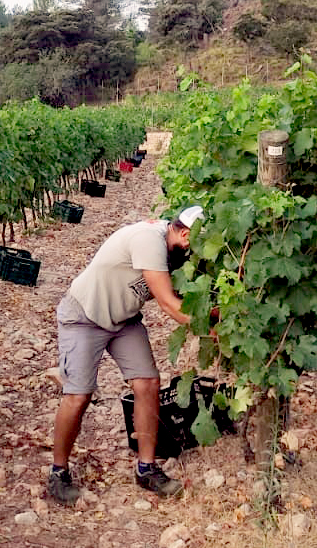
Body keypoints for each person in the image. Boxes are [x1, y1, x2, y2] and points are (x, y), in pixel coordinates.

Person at [47, 206, 202, 502]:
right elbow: (169, 305)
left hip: (123, 319)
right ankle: (58, 472)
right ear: (184, 233)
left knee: (147, 384)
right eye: (197, 242)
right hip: (85, 316)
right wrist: (213, 327)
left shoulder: (176, 246)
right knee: (78, 395)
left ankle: (146, 469)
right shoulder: (149, 240)